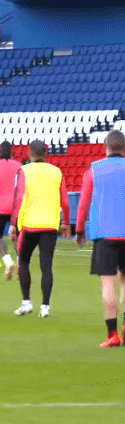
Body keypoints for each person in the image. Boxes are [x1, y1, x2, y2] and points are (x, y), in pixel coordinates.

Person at [10, 140, 70, 318]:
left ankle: (26, 303)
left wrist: (13, 223)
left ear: (29, 153)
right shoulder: (56, 172)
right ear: (45, 153)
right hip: (50, 225)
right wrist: (66, 222)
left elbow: (19, 198)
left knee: (23, 262)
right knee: (47, 266)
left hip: (29, 225)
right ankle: (45, 307)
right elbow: (65, 202)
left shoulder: (24, 171)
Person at [76, 130, 125, 347]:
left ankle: (112, 334)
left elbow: (84, 202)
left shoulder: (94, 170)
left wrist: (79, 229)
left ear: (105, 146)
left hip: (104, 233)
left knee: (108, 284)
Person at [0, 141, 22, 279]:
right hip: (16, 207)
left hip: (0, 206)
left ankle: (8, 262)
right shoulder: (19, 166)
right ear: (12, 151)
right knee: (17, 236)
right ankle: (20, 265)